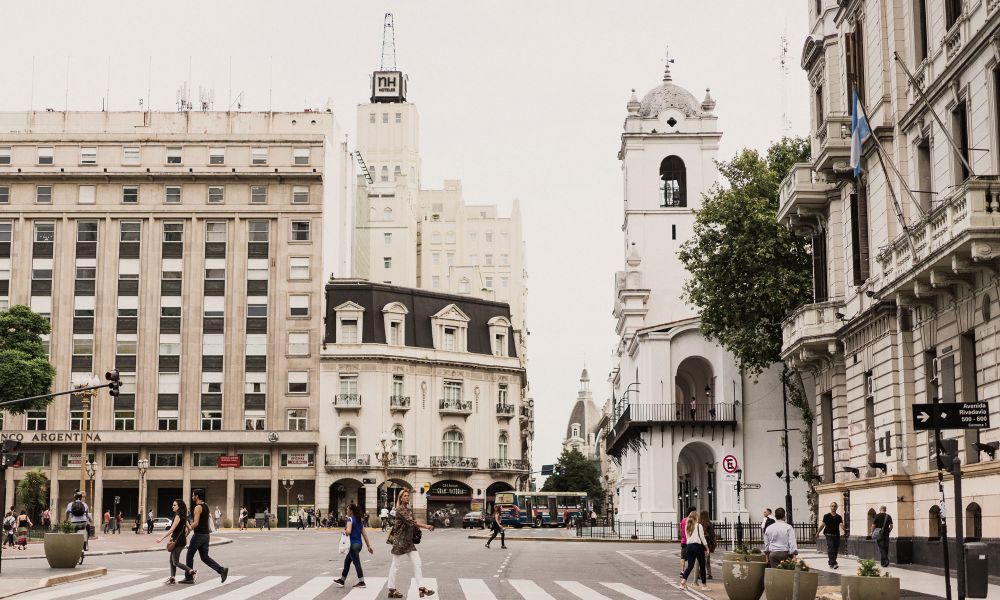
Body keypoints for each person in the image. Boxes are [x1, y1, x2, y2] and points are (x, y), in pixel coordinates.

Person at [386, 489, 435, 598]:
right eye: (405, 496)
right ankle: (391, 589)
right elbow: (411, 522)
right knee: (396, 565)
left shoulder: (408, 509)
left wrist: (419, 528)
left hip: (408, 541)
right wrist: (426, 526)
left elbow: (413, 523)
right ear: (401, 498)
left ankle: (421, 588)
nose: (407, 497)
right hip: (399, 541)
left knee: (417, 563)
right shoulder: (400, 510)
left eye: (408, 495)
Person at [181, 489, 228, 585]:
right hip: (206, 535)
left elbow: (196, 523)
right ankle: (221, 570)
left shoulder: (198, 507)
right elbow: (205, 521)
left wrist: (187, 529)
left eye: (193, 495)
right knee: (204, 557)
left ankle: (189, 577)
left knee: (189, 555)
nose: (192, 497)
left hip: (198, 535)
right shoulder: (206, 506)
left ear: (197, 496)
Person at [334, 504, 373, 589]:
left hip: (352, 545)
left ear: (351, 511)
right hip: (359, 545)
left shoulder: (350, 519)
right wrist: (368, 546)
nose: (347, 511)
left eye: (347, 509)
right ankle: (342, 580)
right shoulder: (359, 520)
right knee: (347, 561)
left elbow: (348, 532)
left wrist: (343, 530)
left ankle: (361, 581)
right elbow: (364, 534)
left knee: (356, 563)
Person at [156, 499, 195, 585]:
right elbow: (190, 528)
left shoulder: (178, 516)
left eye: (174, 505)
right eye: (173, 505)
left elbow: (172, 530)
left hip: (177, 541)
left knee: (175, 562)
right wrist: (184, 536)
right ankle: (172, 578)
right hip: (180, 540)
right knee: (171, 560)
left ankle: (191, 571)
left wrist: (161, 538)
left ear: (179, 507)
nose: (172, 506)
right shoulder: (184, 516)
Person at [679, 510, 709, 591]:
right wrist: (707, 548)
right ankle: (704, 585)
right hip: (697, 547)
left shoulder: (687, 526)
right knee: (702, 566)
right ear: (696, 517)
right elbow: (702, 538)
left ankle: (683, 582)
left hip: (689, 547)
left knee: (690, 566)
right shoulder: (699, 526)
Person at [816, 501, 845, 569]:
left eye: (835, 506)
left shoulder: (839, 517)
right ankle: (834, 563)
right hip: (828, 534)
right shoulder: (826, 516)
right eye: (832, 506)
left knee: (835, 549)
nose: (833, 507)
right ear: (830, 507)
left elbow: (841, 524)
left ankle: (831, 562)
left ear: (836, 507)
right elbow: (823, 525)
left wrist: (844, 529)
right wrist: (818, 533)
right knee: (831, 548)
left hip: (836, 535)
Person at [678, 506, 695, 578]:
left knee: (683, 557)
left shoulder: (683, 520)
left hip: (684, 541)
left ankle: (682, 571)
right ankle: (697, 573)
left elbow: (681, 530)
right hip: (691, 541)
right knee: (695, 557)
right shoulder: (694, 520)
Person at [700, 510, 716, 579]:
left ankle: (699, 574)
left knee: (700, 560)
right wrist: (712, 543)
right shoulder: (709, 524)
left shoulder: (699, 524)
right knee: (707, 560)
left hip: (700, 544)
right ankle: (709, 574)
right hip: (707, 544)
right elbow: (712, 535)